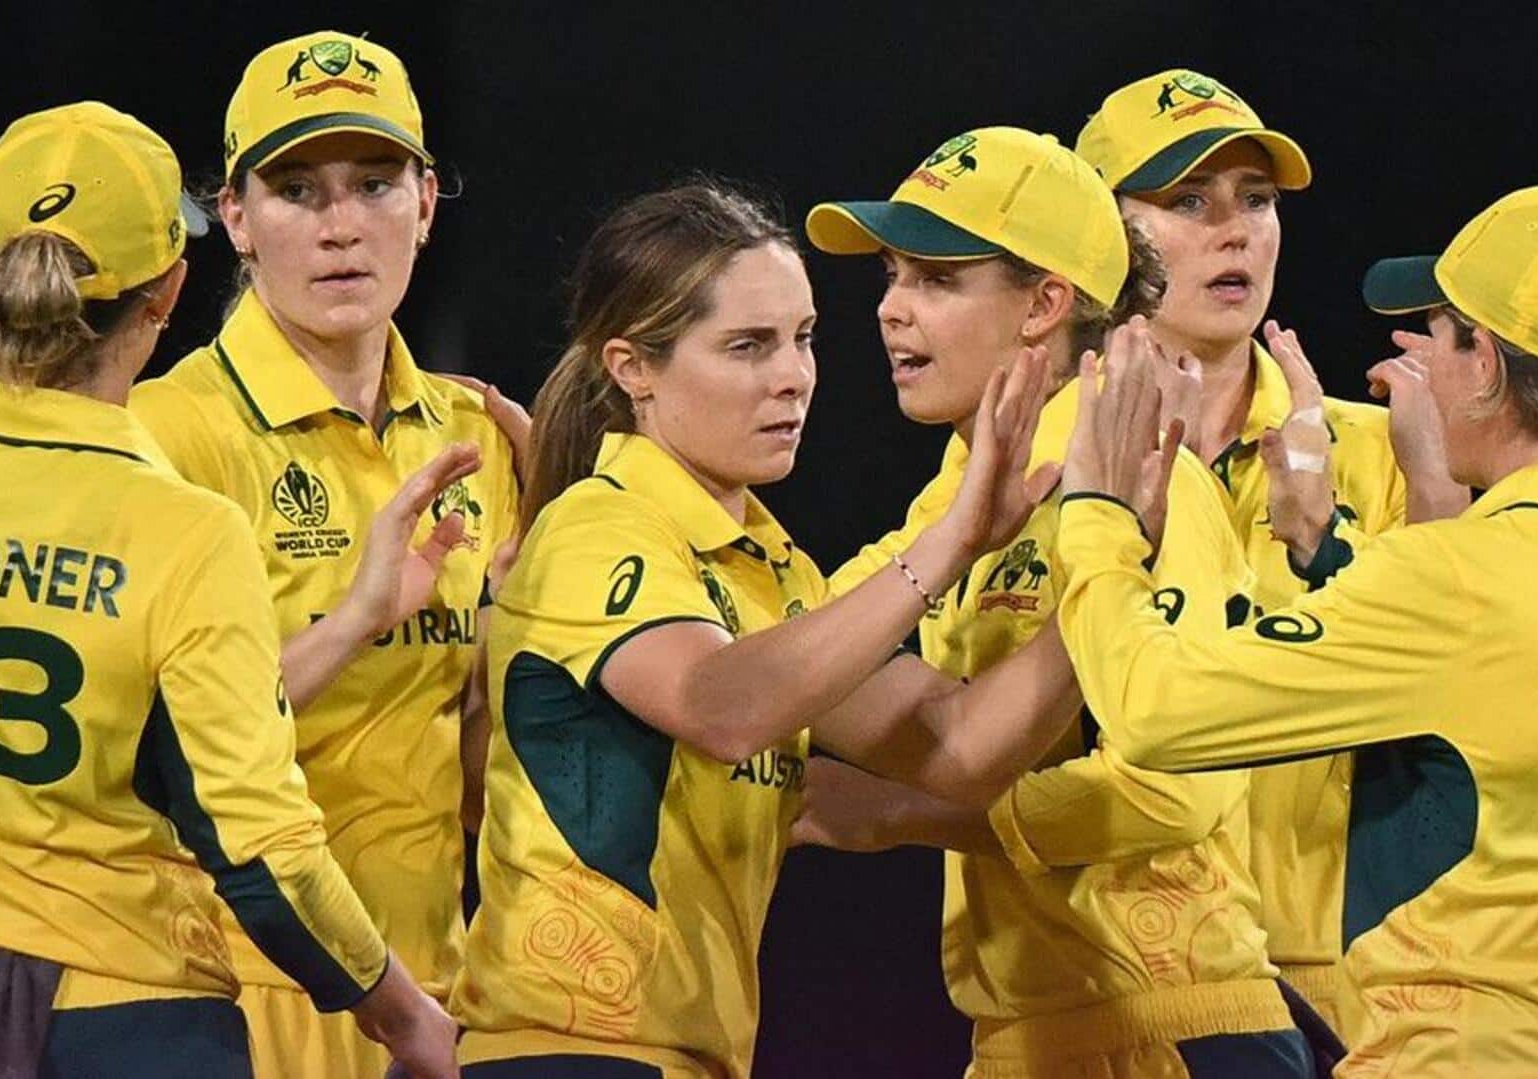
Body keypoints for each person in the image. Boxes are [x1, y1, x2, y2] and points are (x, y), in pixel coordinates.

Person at [0, 101, 459, 1078]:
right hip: (132, 1024)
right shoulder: (181, 530)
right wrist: (400, 1013)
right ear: (169, 289)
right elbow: (260, 844)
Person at [451, 179, 1114, 1078]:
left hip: (688, 1060)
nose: (794, 376)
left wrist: (1113, 563)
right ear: (633, 368)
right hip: (566, 1053)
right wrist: (951, 540)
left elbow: (963, 748)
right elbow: (720, 706)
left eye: (802, 338)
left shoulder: (774, 573)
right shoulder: (594, 525)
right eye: (747, 346)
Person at [1053, 184, 1538, 1074]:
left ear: (1487, 366)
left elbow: (1156, 711)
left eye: (1438, 333)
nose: (1419, 361)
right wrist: (1326, 541)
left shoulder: (1456, 580)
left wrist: (1097, 511)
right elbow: (1480, 684)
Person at [798, 126, 1312, 1077]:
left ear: (1045, 304)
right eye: (891, 277)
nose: (891, 310)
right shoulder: (964, 494)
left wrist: (907, 810)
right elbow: (795, 631)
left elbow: (1179, 783)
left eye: (937, 280)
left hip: (1173, 1027)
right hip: (1035, 1033)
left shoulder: (1141, 471)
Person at [128, 31, 520, 1077]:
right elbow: (150, 752)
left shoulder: (474, 440)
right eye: (297, 191)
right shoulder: (166, 435)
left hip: (431, 996)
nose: (342, 226)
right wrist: (355, 620)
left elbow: (475, 762)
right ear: (236, 217)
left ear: (426, 204)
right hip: (225, 991)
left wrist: (530, 622)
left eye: (375, 184)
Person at [1075, 69, 1470, 1033]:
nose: (1236, 231)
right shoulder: (1044, 452)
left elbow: (1458, 714)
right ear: (1101, 236)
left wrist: (1357, 529)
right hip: (1095, 987)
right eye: (1188, 203)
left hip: (1344, 992)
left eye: (1257, 200)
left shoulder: (1384, 450)